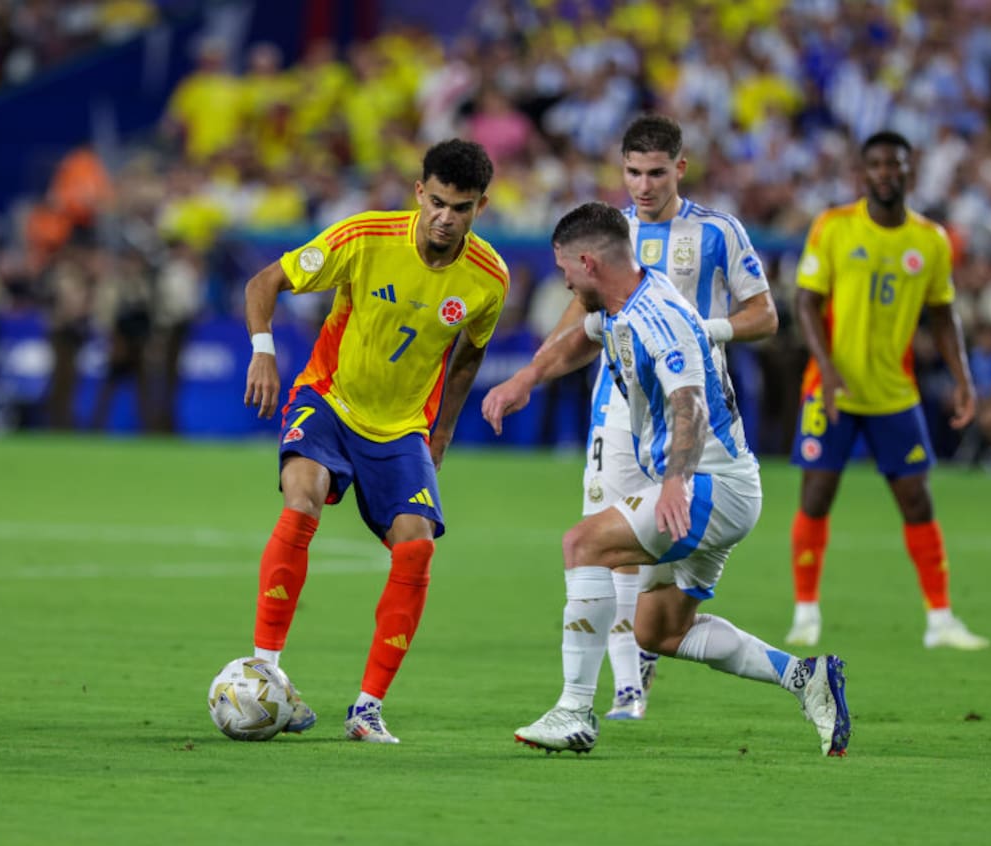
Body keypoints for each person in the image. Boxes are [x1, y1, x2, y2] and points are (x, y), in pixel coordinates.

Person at [483, 202, 849, 757]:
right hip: (720, 485)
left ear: (588, 263)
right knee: (660, 631)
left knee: (584, 543)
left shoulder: (659, 316)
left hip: (710, 485)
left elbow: (689, 402)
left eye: (566, 271)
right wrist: (527, 378)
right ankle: (807, 677)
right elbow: (586, 336)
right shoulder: (623, 301)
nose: (564, 283)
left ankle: (574, 711)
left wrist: (676, 481)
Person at [485, 114, 778, 722]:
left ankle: (604, 690)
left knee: (622, 548)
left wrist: (702, 331)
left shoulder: (717, 231)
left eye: (655, 173)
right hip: (619, 405)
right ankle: (626, 685)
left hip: (689, 402)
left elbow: (765, 316)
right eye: (633, 172)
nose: (643, 185)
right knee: (605, 540)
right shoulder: (610, 234)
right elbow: (582, 320)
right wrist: (530, 374)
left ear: (680, 168)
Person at [242, 139, 508, 743]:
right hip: (329, 398)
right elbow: (264, 282)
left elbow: (471, 354)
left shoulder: (489, 278)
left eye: (461, 208)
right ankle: (266, 675)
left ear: (481, 207)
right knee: (302, 499)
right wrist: (263, 352)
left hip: (401, 427)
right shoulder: (365, 236)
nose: (445, 217)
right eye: (436, 202)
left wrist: (441, 431)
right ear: (419, 193)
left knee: (416, 547)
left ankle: (366, 710)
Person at [785, 130, 989, 651]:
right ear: (862, 173)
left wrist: (963, 378)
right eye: (875, 164)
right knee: (817, 495)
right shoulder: (834, 226)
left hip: (894, 392)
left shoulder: (931, 240)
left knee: (917, 500)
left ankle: (940, 619)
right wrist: (827, 367)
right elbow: (806, 302)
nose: (885, 173)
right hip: (831, 389)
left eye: (894, 164)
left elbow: (942, 314)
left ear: (909, 172)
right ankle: (805, 613)